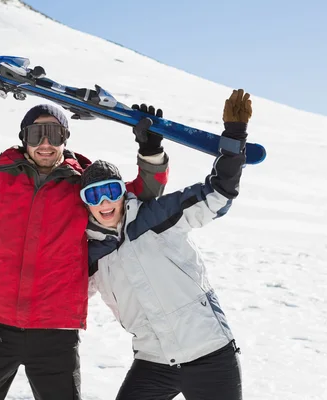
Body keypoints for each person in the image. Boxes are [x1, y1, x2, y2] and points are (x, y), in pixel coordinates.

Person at [0, 36, 169, 400]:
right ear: (24, 137)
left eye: (54, 133)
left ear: (65, 138)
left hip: (55, 332)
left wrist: (151, 151)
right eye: (36, 133)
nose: (45, 143)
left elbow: (139, 195)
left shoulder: (85, 186)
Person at [83, 89, 252, 400]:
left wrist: (234, 136)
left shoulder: (156, 218)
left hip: (210, 353)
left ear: (123, 192)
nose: (104, 202)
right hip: (154, 362)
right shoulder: (93, 255)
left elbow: (218, 195)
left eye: (110, 191)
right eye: (93, 195)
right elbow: (65, 297)